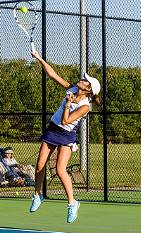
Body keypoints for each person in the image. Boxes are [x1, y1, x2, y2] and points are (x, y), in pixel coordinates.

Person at [29, 50, 101, 223]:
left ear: (88, 89)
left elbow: (66, 119)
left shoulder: (85, 107)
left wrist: (68, 103)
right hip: (52, 129)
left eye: (85, 80)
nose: (82, 80)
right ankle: (37, 195)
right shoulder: (73, 88)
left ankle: (72, 203)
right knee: (39, 165)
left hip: (67, 135)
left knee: (61, 170)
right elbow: (52, 74)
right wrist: (38, 57)